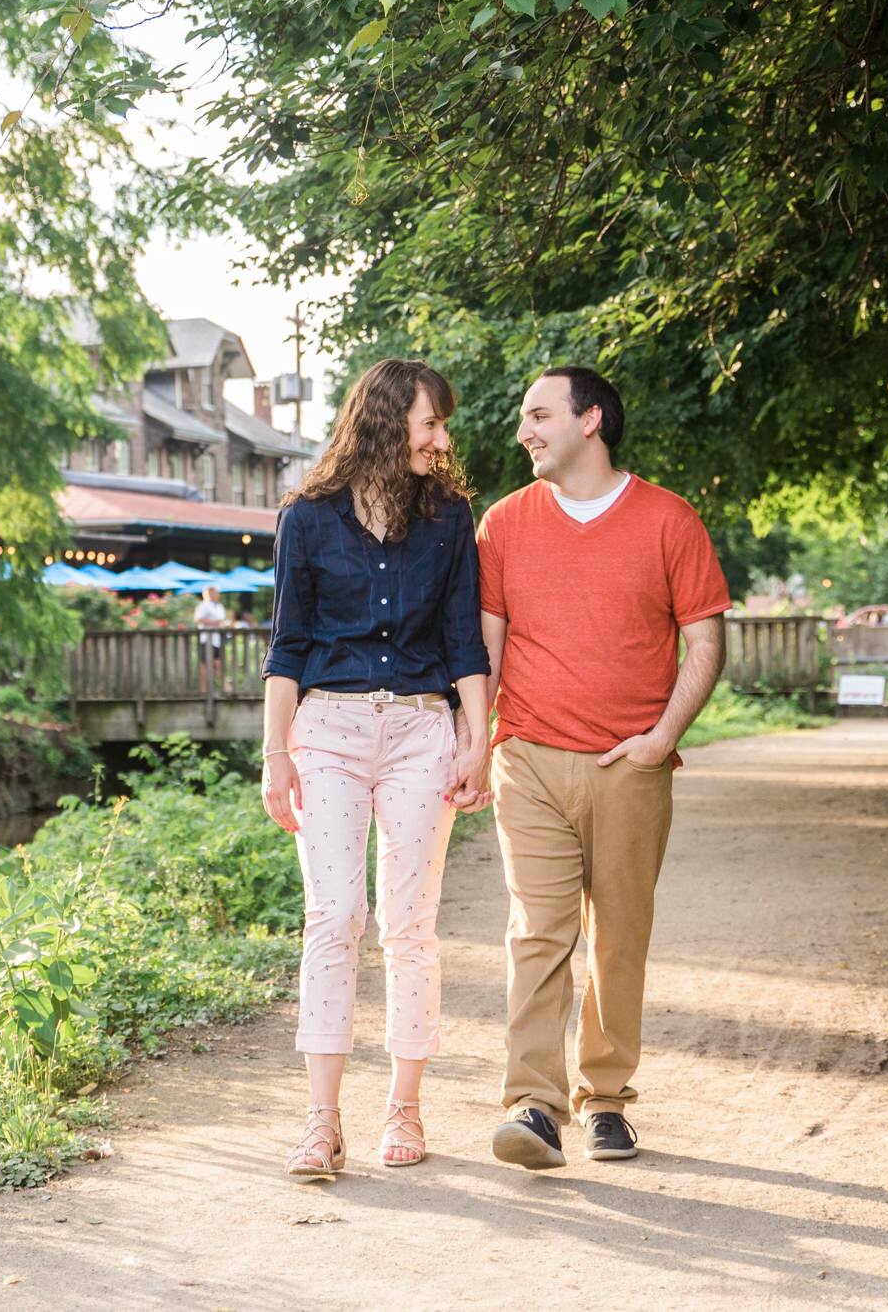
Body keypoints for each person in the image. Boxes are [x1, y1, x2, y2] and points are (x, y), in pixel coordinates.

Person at [477, 366, 730, 1170]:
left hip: (631, 763)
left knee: (619, 935)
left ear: (591, 420)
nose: (524, 430)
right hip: (530, 756)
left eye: (539, 414)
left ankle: (607, 1099)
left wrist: (660, 738)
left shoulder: (668, 519)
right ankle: (534, 1103)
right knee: (538, 933)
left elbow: (707, 642)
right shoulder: (504, 523)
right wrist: (474, 740)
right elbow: (486, 646)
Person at [261, 359, 494, 1179]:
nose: (442, 438)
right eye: (431, 422)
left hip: (423, 730)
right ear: (390, 419)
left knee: (409, 924)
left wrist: (477, 739)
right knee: (333, 914)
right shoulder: (308, 517)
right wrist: (275, 754)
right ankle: (321, 1123)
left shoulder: (450, 517)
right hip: (326, 729)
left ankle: (405, 1105)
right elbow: (286, 646)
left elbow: (465, 638)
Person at [194, 583, 230, 692]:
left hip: (217, 639)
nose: (216, 595)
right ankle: (204, 690)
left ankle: (224, 687)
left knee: (217, 663)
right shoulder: (203, 605)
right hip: (206, 639)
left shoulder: (219, 606)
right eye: (213, 593)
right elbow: (198, 619)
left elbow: (222, 621)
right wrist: (214, 623)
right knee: (205, 664)